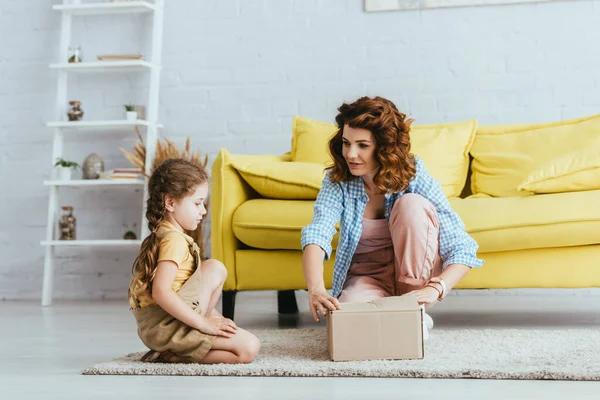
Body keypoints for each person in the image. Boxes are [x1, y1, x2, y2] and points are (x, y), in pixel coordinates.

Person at [301, 96, 484, 339]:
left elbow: (461, 245)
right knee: (348, 331)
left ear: (384, 146)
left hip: (414, 280)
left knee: (411, 205)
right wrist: (315, 289)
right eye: (346, 143)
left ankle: (412, 310)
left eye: (363, 145)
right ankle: (403, 317)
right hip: (367, 277)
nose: (351, 154)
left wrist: (436, 288)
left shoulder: (414, 173)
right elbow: (319, 231)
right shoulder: (338, 181)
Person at [128, 158, 260, 363]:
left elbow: (187, 285)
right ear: (170, 202)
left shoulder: (164, 233)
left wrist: (213, 317)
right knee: (249, 349)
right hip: (166, 328)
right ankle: (171, 356)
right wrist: (203, 324)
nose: (203, 211)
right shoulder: (174, 240)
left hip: (161, 324)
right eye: (197, 203)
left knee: (215, 267)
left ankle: (199, 328)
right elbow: (161, 292)